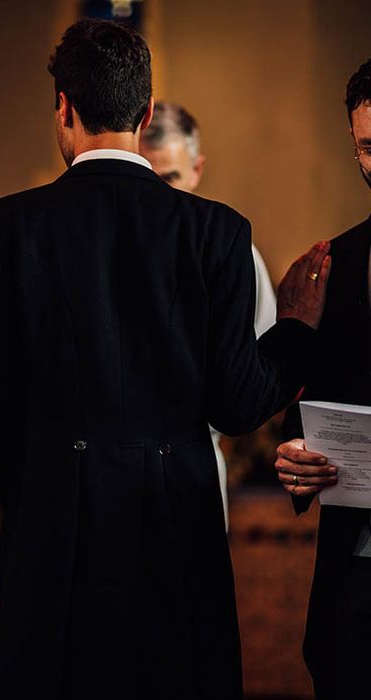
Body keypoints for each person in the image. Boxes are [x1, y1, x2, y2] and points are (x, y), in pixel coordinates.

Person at [0, 18, 331, 700]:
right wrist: (295, 326)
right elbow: (237, 404)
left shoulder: (2, 230)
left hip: (51, 541)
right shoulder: (217, 233)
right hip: (177, 538)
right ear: (145, 113)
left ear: (64, 108)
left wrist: (0, 540)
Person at [272, 58, 371, 700]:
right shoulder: (336, 264)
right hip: (358, 585)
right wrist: (296, 461)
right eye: (368, 146)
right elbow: (310, 417)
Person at [140, 101, 278, 525]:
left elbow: (256, 371)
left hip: (193, 461)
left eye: (172, 178)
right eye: (150, 178)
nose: (161, 193)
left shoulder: (230, 251)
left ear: (197, 169)